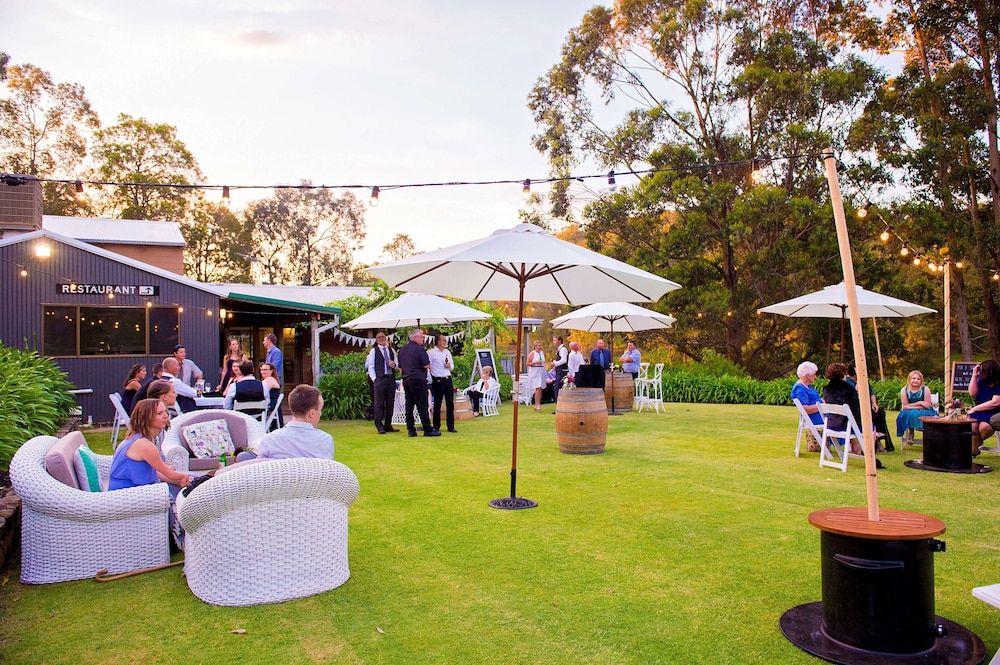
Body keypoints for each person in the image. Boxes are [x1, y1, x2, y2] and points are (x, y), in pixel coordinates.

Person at [108, 399, 194, 546]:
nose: (165, 416)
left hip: (134, 490)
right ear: (146, 417)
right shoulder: (143, 444)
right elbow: (170, 474)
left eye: (165, 412)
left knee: (179, 486)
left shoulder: (138, 439)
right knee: (185, 488)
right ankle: (181, 536)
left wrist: (179, 479)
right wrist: (183, 478)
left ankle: (183, 531)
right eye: (159, 413)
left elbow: (156, 472)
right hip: (127, 495)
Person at [236, 385, 334, 461]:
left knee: (244, 456)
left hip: (280, 486)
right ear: (311, 414)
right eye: (320, 410)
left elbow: (260, 470)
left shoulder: (271, 439)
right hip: (315, 486)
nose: (320, 414)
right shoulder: (325, 440)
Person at [398, 328, 439, 437]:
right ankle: (427, 429)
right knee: (422, 405)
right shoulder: (420, 350)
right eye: (422, 337)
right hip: (417, 379)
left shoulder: (402, 350)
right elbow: (426, 365)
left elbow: (400, 368)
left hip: (406, 379)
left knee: (409, 405)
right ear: (415, 337)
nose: (423, 339)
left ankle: (411, 429)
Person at [846, 362, 893, 451]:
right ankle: (876, 441)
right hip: (857, 407)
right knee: (871, 415)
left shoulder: (864, 380)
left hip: (868, 405)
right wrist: (859, 379)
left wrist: (874, 404)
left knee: (880, 413)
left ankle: (881, 438)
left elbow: (871, 393)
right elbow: (857, 391)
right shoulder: (848, 381)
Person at [365, 332, 399, 435]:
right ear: (376, 340)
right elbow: (370, 366)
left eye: (383, 337)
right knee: (378, 403)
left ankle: (388, 425)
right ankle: (379, 426)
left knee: (390, 402)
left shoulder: (391, 350)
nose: (381, 339)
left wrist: (394, 364)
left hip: (390, 378)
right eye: (379, 337)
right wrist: (375, 379)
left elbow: (397, 364)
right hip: (380, 378)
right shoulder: (374, 351)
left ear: (386, 338)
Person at [895, 370, 938, 445]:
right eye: (913, 378)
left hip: (925, 410)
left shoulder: (925, 389)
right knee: (910, 414)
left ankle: (927, 435)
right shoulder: (904, 390)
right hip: (910, 411)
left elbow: (927, 406)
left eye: (918, 379)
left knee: (916, 413)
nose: (916, 380)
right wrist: (920, 403)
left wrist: (911, 406)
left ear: (921, 380)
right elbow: (905, 406)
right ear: (909, 379)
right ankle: (911, 433)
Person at [791, 361, 823, 452]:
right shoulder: (800, 388)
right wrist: (820, 405)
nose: (815, 377)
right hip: (813, 416)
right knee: (840, 420)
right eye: (814, 374)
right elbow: (806, 409)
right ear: (808, 375)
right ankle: (856, 446)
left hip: (818, 413)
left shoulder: (807, 386)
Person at [968, 360, 1000, 452]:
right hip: (979, 411)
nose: (980, 373)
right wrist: (974, 376)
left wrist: (974, 408)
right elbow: (972, 393)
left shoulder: (998, 384)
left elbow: (995, 403)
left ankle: (971, 448)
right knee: (972, 425)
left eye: (982, 371)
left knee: (985, 427)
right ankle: (973, 450)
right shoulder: (982, 381)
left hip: (993, 412)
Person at [428, 334, 457, 433]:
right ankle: (436, 425)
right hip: (438, 380)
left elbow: (452, 366)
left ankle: (451, 426)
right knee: (437, 404)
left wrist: (449, 365)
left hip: (447, 378)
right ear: (438, 342)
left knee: (450, 403)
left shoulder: (447, 352)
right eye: (444, 340)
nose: (446, 342)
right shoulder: (431, 353)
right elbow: (428, 366)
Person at [260, 362, 284, 430]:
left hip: (270, 405)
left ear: (271, 371)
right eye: (261, 370)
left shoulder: (270, 379)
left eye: (265, 370)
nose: (263, 371)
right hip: (269, 404)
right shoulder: (266, 380)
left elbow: (261, 392)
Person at [526, 340, 546, 412]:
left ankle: (538, 403)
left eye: (541, 345)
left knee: (540, 388)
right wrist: (535, 362)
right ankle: (537, 405)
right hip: (535, 371)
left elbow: (544, 361)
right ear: (535, 346)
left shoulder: (541, 353)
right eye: (539, 346)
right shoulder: (532, 353)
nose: (540, 347)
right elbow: (527, 363)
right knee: (538, 387)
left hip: (541, 371)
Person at [550, 335, 569, 402]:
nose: (554, 342)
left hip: (562, 372)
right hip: (559, 371)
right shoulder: (559, 350)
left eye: (555, 340)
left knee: (558, 388)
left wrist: (555, 363)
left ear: (559, 341)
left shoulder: (563, 349)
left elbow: (564, 360)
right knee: (556, 388)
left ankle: (559, 405)